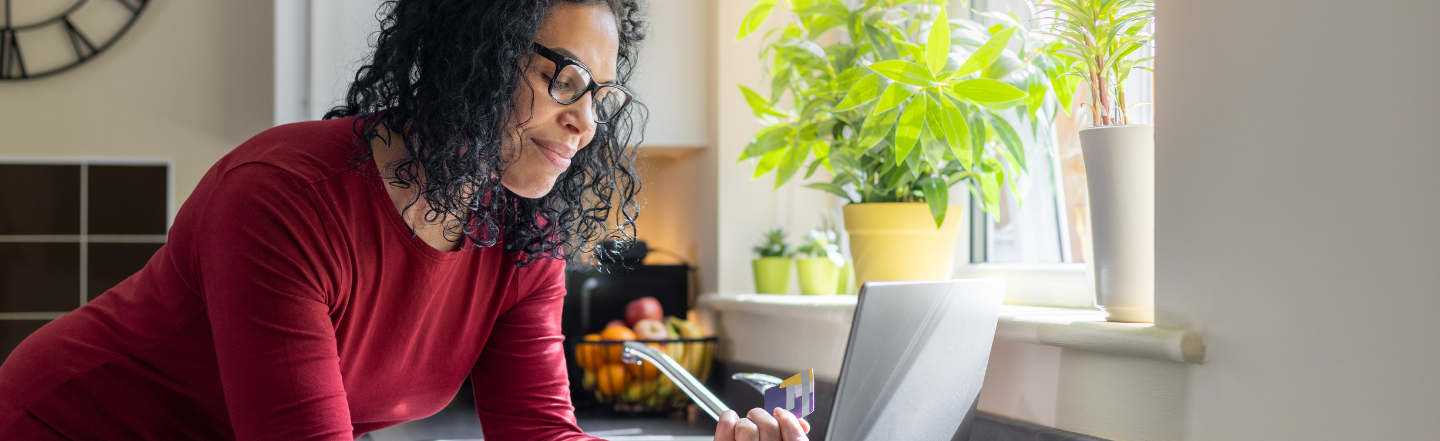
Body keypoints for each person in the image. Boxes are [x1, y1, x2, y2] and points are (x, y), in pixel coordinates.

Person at [0, 1, 808, 440]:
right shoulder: (284, 197)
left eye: (602, 97)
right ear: (477, 52)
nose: (588, 123)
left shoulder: (521, 233)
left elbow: (539, 438)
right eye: (565, 81)